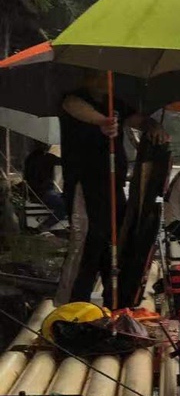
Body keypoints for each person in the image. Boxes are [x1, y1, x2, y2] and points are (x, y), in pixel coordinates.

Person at [55, 71, 167, 307]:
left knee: (114, 241)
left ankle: (114, 301)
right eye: (97, 75)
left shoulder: (114, 102)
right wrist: (102, 121)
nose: (104, 80)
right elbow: (74, 106)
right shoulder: (74, 99)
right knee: (86, 241)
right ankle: (70, 305)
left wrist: (152, 125)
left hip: (114, 184)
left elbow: (139, 120)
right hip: (85, 184)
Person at [23, 141, 66, 227]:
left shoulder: (30, 158)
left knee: (63, 196)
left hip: (33, 192)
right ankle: (45, 226)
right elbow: (63, 162)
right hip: (44, 193)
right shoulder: (46, 157)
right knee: (64, 207)